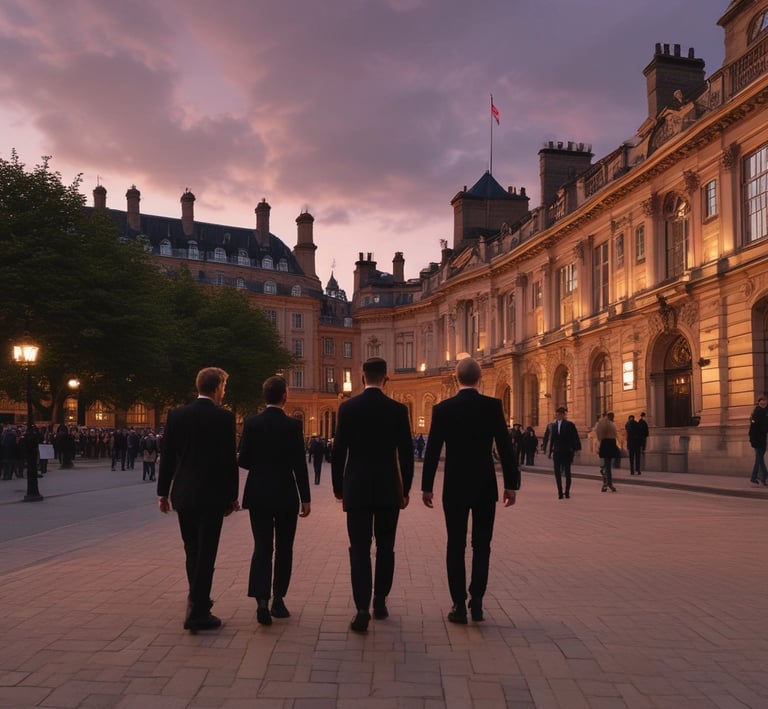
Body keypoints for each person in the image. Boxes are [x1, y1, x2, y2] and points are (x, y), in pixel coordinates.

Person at [421, 357, 520, 624]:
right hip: (485, 483)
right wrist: (511, 484)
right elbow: (505, 447)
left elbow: (432, 451)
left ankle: (458, 605)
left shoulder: (443, 409)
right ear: (479, 380)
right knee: (482, 544)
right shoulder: (492, 406)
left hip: (454, 485)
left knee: (455, 544)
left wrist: (426, 486)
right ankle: (477, 600)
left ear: (456, 378)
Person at [331, 357, 414, 633]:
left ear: (362, 377)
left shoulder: (348, 408)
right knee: (386, 546)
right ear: (385, 379)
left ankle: (361, 607)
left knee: (359, 548)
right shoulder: (398, 410)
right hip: (389, 487)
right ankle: (380, 600)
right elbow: (406, 454)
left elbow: (339, 451)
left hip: (356, 487)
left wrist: (338, 488)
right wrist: (407, 488)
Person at [157, 367, 240, 633]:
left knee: (191, 550)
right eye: (224, 387)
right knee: (207, 552)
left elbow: (167, 456)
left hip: (184, 493)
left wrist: (162, 492)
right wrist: (232, 496)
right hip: (213, 494)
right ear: (217, 388)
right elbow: (229, 461)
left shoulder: (177, 415)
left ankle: (196, 600)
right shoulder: (225, 418)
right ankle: (199, 609)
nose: (224, 392)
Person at [238, 375, 311, 625]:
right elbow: (299, 464)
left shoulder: (251, 423)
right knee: (284, 547)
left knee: (262, 547)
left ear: (264, 396)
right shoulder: (293, 426)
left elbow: (244, 460)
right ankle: (279, 599)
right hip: (285, 493)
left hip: (258, 492)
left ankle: (261, 600)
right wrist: (306, 498)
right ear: (284, 397)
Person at [544, 406, 581, 499]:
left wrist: (575, 449)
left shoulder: (569, 425)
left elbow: (574, 437)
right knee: (557, 473)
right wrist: (549, 452)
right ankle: (560, 492)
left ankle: (567, 492)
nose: (558, 416)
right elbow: (552, 439)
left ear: (563, 415)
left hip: (567, 452)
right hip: (557, 452)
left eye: (559, 414)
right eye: (556, 415)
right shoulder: (554, 425)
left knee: (567, 473)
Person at [595, 412, 619, 492]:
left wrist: (598, 447)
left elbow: (599, 436)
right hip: (610, 444)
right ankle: (608, 483)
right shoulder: (611, 425)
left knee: (605, 466)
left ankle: (606, 483)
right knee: (607, 466)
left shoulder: (602, 424)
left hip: (605, 444)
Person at [749, 395, 768, 485]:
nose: (764, 402)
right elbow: (754, 428)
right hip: (758, 440)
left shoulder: (763, 411)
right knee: (760, 459)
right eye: (762, 401)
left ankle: (754, 477)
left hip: (761, 439)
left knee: (758, 459)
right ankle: (765, 476)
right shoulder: (758, 412)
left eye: (765, 401)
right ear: (759, 402)